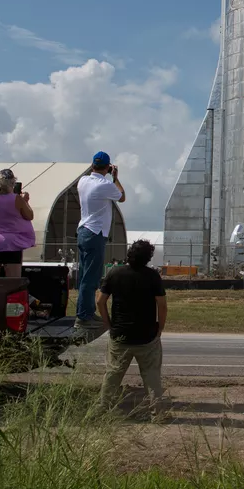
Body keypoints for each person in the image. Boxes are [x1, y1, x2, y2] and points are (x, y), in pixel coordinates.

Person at [97, 239, 166, 410]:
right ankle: (157, 412)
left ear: (129, 254)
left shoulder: (114, 273)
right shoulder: (152, 276)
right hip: (147, 336)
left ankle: (103, 409)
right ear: (148, 257)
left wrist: (108, 324)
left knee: (113, 375)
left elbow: (100, 301)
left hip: (120, 334)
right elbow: (162, 305)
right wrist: (160, 328)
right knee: (152, 376)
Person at [75, 151, 125, 329]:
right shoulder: (105, 184)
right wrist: (115, 177)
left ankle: (86, 311)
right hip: (95, 233)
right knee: (91, 277)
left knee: (84, 276)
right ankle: (83, 316)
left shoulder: (83, 181)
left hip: (83, 229)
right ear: (108, 167)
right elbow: (122, 196)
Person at [0, 168, 35, 278]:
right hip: (11, 243)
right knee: (12, 283)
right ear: (13, 183)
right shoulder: (17, 199)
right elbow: (29, 215)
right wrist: (25, 201)